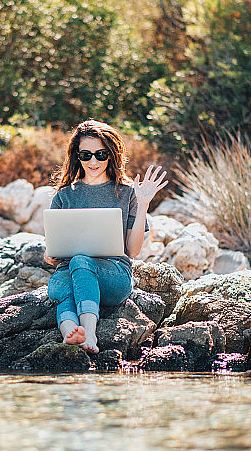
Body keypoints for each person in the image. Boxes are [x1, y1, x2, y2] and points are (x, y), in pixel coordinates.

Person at [45, 120, 168, 354]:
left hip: (113, 276)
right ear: (76, 156)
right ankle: (71, 334)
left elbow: (132, 251)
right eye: (86, 154)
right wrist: (52, 251)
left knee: (80, 261)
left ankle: (89, 332)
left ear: (111, 155)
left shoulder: (128, 192)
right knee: (64, 286)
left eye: (101, 154)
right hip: (68, 273)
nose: (93, 161)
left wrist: (143, 204)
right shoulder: (63, 197)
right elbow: (50, 258)